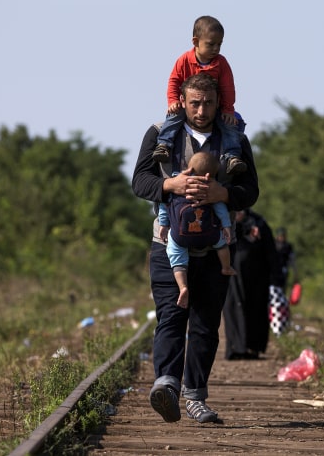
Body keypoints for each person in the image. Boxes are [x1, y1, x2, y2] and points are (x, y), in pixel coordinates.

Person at [132, 73, 259, 424]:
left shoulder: (234, 139)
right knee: (171, 318)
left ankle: (195, 396)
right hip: (169, 246)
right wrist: (171, 183)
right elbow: (140, 181)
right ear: (182, 102)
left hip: (217, 248)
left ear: (220, 103)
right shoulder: (160, 132)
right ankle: (167, 386)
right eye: (195, 103)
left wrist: (224, 194)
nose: (201, 111)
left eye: (208, 103)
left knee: (205, 325)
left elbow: (251, 190)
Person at [152, 15, 247, 175]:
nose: (216, 49)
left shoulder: (221, 63)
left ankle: (233, 157)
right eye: (211, 44)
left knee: (230, 125)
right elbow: (174, 81)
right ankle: (164, 145)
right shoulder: (184, 60)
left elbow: (228, 87)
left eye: (219, 44)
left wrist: (227, 110)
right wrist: (173, 101)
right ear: (195, 42)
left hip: (216, 108)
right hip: (186, 106)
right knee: (174, 117)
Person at [157, 151, 236, 309]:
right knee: (222, 245)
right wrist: (226, 226)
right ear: (210, 175)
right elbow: (220, 208)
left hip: (180, 235)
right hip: (208, 234)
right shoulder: (210, 189)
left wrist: (163, 225)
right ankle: (226, 267)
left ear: (189, 168)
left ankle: (183, 286)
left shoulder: (177, 183)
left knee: (176, 255)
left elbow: (164, 205)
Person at [223, 208, 283, 360]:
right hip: (231, 277)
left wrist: (276, 278)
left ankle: (253, 348)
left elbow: (271, 252)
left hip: (256, 279)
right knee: (232, 311)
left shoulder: (259, 223)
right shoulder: (223, 219)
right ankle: (235, 348)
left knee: (255, 312)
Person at [273, 227, 298, 294]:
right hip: (273, 271)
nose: (282, 238)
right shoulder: (272, 244)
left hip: (283, 270)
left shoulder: (288, 246)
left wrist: (295, 272)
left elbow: (292, 259)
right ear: (277, 236)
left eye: (283, 236)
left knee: (282, 289)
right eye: (280, 236)